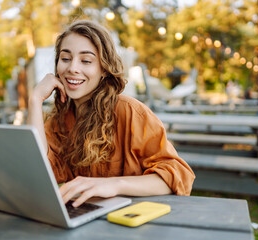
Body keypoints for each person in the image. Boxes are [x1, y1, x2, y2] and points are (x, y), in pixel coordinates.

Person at [28, 20, 195, 208]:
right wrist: (35, 100)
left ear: (104, 69)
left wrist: (114, 184)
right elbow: (37, 173)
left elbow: (177, 175)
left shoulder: (130, 112)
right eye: (65, 58)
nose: (72, 68)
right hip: (87, 220)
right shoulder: (59, 121)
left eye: (86, 61)